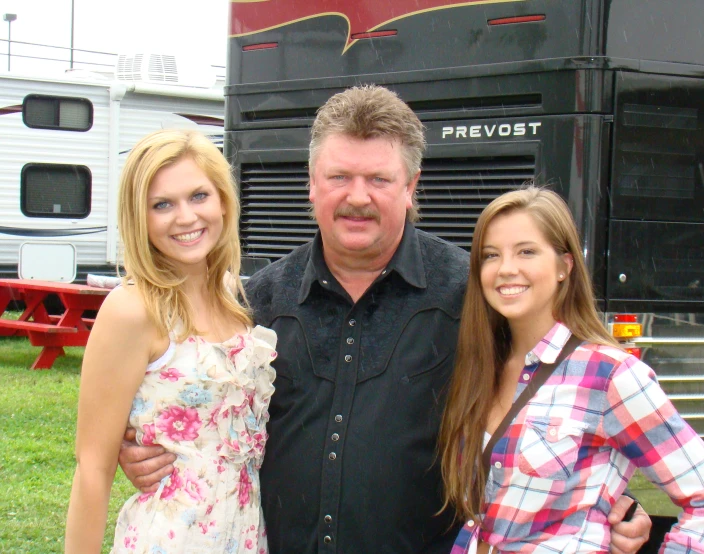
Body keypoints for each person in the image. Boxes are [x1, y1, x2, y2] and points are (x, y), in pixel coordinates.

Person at [118, 86, 651, 554]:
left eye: (378, 178)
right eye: (339, 177)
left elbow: (566, 398)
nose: (357, 197)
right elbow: (185, 397)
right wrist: (131, 442)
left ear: (411, 185)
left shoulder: (472, 298)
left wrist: (612, 502)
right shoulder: (255, 303)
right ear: (311, 183)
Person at [439, 187, 704, 553]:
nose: (506, 269)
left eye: (526, 251)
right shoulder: (480, 367)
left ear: (565, 266)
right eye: (490, 255)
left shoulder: (611, 374)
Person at [65, 129, 278, 553]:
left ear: (222, 199)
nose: (185, 217)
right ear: (139, 218)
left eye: (198, 196)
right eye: (162, 204)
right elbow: (93, 467)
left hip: (246, 535)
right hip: (171, 539)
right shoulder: (132, 310)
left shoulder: (237, 299)